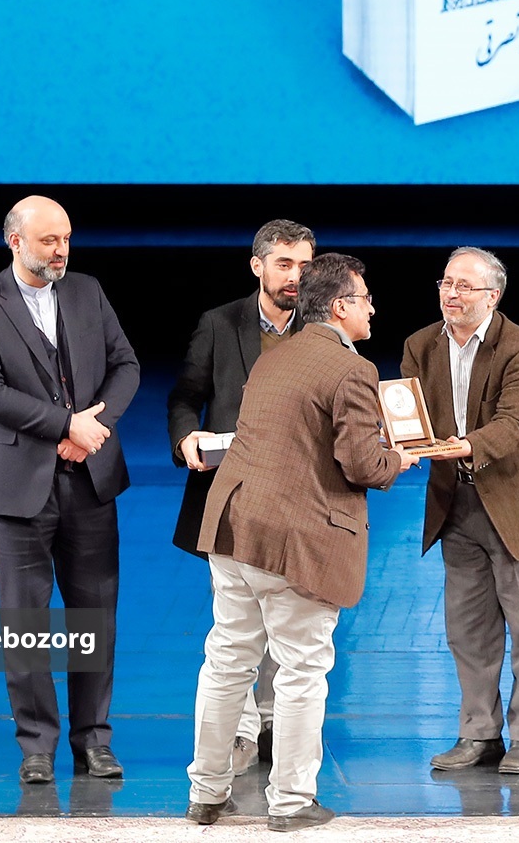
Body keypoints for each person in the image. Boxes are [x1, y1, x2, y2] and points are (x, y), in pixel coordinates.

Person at [186, 253, 420, 830]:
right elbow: (361, 464)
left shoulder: (276, 356)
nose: (372, 309)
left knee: (227, 662)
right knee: (301, 669)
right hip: (295, 540)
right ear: (340, 307)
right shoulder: (352, 369)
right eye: (365, 299)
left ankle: (207, 793)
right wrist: (399, 459)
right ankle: (290, 803)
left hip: (233, 528)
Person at [0, 195, 140, 784]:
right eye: (48, 241)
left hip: (90, 481)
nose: (61, 250)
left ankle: (94, 740)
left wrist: (93, 429)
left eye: (66, 238)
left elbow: (126, 366)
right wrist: (66, 426)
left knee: (94, 617)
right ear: (15, 242)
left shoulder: (87, 292)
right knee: (24, 621)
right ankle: (36, 745)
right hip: (15, 490)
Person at [402, 247, 519, 775]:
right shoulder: (419, 345)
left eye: (464, 286)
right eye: (446, 283)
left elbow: (516, 424)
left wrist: (464, 446)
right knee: (468, 629)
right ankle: (479, 733)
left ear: (492, 296)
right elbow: (409, 416)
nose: (451, 294)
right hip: (456, 504)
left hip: (518, 505)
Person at [167, 218, 317, 773]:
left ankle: (275, 723)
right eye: (284, 263)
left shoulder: (324, 327)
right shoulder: (219, 323)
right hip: (232, 497)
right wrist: (186, 436)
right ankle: (241, 730)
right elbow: (186, 396)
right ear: (257, 266)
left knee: (291, 619)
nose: (295, 276)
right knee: (236, 624)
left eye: (305, 265)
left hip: (302, 498)